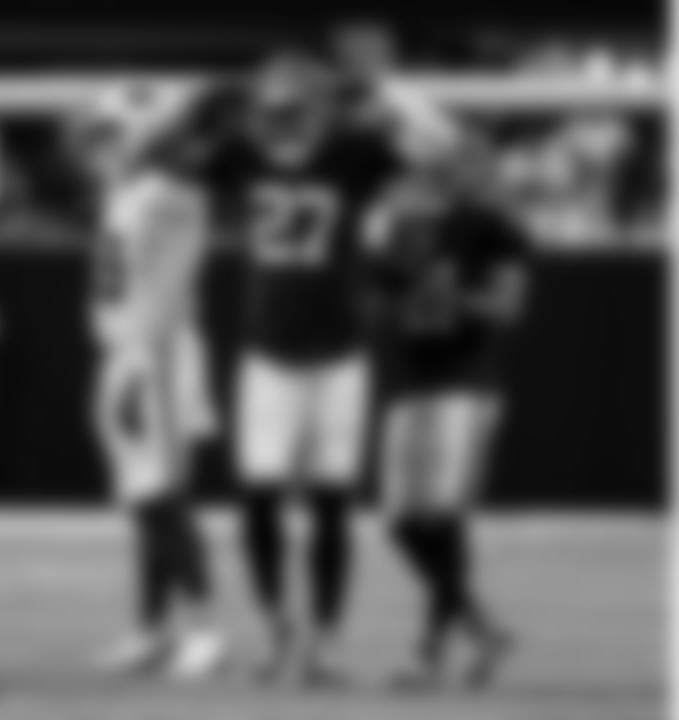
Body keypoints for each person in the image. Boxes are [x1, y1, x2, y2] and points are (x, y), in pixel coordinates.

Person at [198, 48, 407, 685]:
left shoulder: (353, 154)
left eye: (294, 107)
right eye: (273, 107)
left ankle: (327, 639)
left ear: (320, 107)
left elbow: (438, 147)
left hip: (338, 354)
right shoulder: (240, 154)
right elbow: (148, 152)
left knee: (332, 503)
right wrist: (199, 94)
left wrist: (384, 90)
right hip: (268, 354)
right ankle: (275, 628)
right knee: (258, 497)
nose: (281, 120)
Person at [80, 83, 225, 680]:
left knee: (161, 496)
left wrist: (160, 116)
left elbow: (180, 145)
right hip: (126, 353)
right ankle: (152, 630)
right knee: (144, 500)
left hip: (158, 351)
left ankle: (206, 628)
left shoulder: (172, 189)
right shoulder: (127, 190)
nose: (101, 148)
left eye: (110, 136)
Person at [371, 166, 526, 690]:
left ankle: (429, 654)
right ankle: (483, 631)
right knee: (400, 522)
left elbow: (508, 308)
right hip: (413, 384)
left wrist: (452, 296)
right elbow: (380, 298)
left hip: (467, 384)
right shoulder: (400, 234)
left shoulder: (491, 229)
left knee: (442, 518)